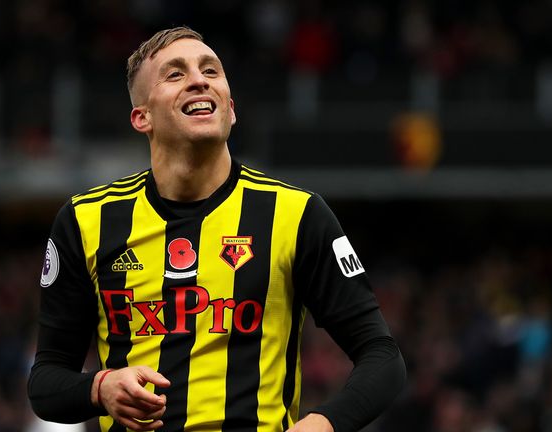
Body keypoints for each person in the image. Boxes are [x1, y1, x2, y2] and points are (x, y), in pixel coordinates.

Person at [27, 26, 406, 432]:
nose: (198, 79)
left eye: (211, 70)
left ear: (231, 107)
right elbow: (46, 382)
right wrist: (100, 388)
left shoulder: (297, 214)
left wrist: (323, 424)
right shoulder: (87, 220)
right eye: (175, 74)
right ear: (142, 117)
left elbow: (383, 359)